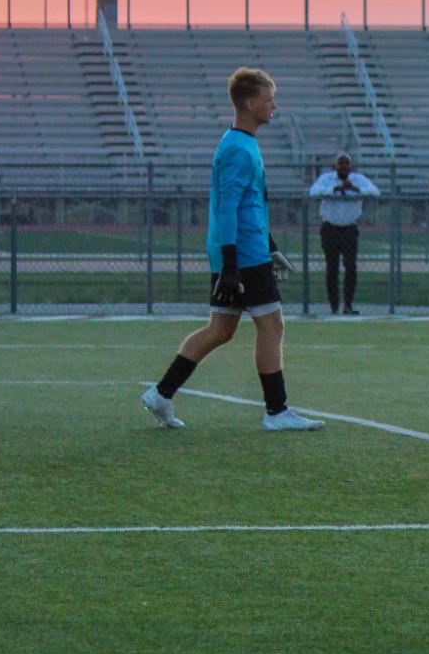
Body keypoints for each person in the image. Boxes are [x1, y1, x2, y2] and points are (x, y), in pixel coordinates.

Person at [141, 67, 323, 434]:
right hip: (240, 255)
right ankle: (276, 411)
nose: (274, 105)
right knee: (272, 324)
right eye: (270, 99)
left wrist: (269, 247)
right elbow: (226, 208)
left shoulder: (242, 143)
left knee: (221, 328)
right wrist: (230, 263)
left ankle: (161, 394)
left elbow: (247, 207)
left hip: (245, 251)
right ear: (251, 102)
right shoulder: (238, 149)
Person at [307, 152, 380, 314]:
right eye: (340, 163)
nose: (343, 167)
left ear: (351, 166)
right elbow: (314, 192)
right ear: (335, 166)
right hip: (330, 227)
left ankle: (348, 304)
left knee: (351, 266)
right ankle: (334, 305)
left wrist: (356, 189)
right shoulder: (327, 179)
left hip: (349, 228)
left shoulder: (358, 180)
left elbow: (375, 192)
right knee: (331, 268)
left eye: (346, 163)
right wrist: (336, 188)